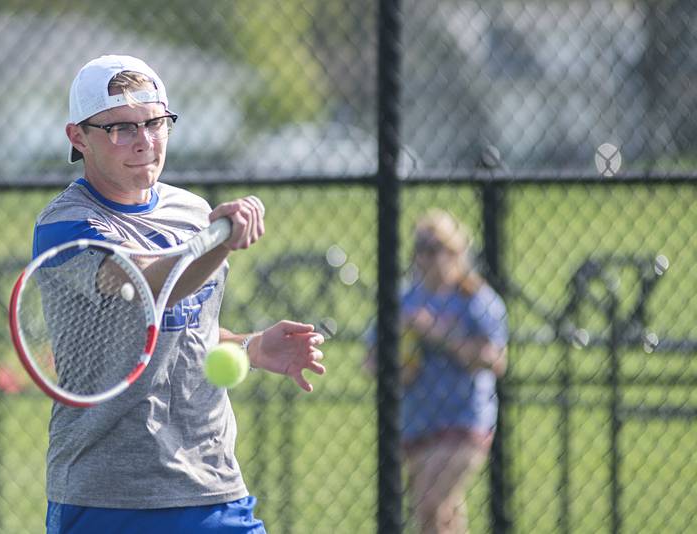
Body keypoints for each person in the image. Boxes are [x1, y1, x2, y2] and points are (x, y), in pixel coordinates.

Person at [33, 54, 326, 534]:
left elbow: (185, 329)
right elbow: (147, 284)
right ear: (78, 138)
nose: (145, 141)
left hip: (212, 483)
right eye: (121, 129)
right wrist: (218, 242)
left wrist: (249, 346)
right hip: (107, 497)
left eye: (155, 122)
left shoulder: (192, 211)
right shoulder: (65, 225)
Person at [364, 209, 508, 534]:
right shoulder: (402, 300)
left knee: (429, 501)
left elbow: (494, 359)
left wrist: (439, 334)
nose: (426, 257)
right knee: (442, 515)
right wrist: (395, 368)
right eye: (420, 248)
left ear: (457, 251)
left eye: (435, 248)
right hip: (418, 422)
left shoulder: (477, 300)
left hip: (465, 419)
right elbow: (370, 360)